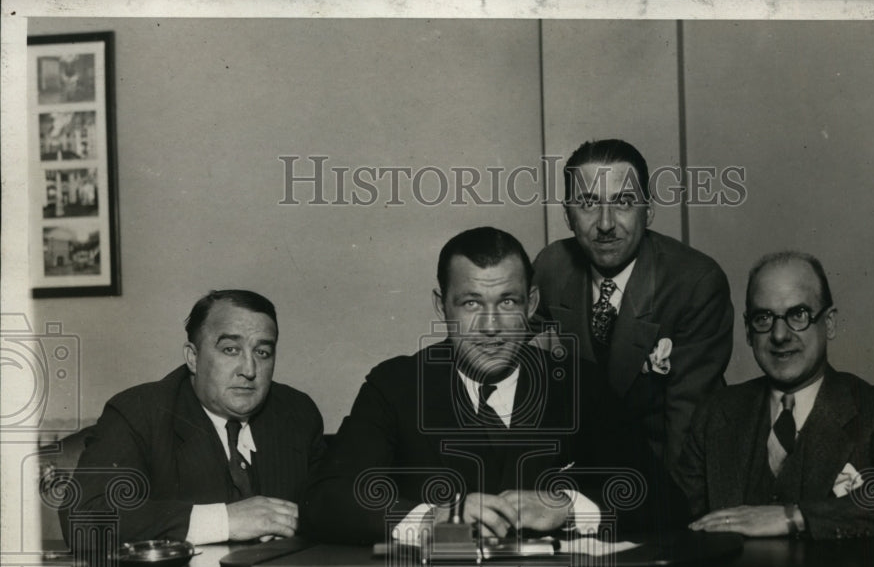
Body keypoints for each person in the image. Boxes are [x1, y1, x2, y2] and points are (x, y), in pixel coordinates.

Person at [302, 226, 668, 546]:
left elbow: (664, 499)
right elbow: (326, 500)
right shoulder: (396, 386)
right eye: (471, 303)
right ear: (441, 306)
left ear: (532, 304)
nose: (491, 326)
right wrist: (431, 518)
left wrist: (568, 507)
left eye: (508, 301)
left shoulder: (579, 384)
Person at [675, 251, 874, 538]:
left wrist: (796, 516)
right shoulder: (715, 413)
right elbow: (675, 524)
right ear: (748, 331)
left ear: (829, 323)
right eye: (764, 318)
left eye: (798, 315)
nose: (780, 335)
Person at [62, 290, 326, 546]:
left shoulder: (297, 413)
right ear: (193, 357)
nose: (249, 369)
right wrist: (224, 521)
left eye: (262, 352)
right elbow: (83, 518)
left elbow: (327, 508)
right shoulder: (140, 412)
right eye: (231, 350)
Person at [533, 138, 734, 472]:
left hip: (659, 478)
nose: (606, 224)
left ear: (649, 210)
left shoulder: (695, 282)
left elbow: (687, 431)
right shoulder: (550, 269)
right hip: (573, 476)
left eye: (623, 202)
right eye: (587, 203)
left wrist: (671, 518)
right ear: (567, 215)